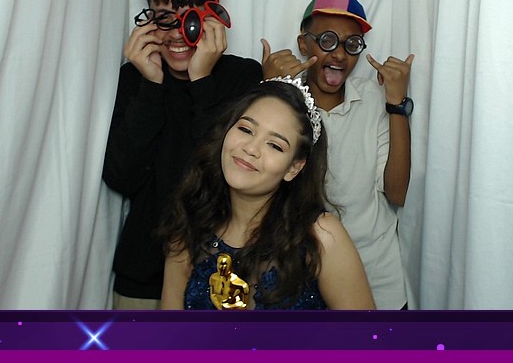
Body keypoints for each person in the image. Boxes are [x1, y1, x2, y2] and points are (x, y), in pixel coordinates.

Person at [102, 0, 261, 309]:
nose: (176, 33)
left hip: (222, 273)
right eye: (163, 19)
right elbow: (121, 177)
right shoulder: (134, 80)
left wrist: (201, 79)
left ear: (212, 18)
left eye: (189, 19)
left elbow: (227, 174)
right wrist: (150, 86)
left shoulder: (243, 77)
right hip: (143, 273)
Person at [159, 78, 375, 310]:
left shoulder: (322, 235)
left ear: (294, 168)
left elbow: (366, 332)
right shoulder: (189, 225)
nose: (251, 149)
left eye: (275, 145)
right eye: (245, 129)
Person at [261, 0, 416, 308]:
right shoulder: (284, 101)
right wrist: (272, 92)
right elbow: (259, 185)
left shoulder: (372, 100)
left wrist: (396, 104)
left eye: (352, 44)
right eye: (327, 40)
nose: (340, 55)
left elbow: (398, 193)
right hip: (301, 279)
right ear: (304, 44)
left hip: (377, 278)